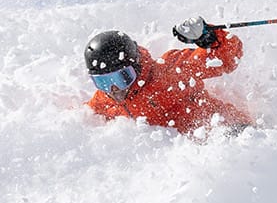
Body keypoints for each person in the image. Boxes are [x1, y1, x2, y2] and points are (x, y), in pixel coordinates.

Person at [85, 17, 254, 133]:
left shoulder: (169, 71)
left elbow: (227, 59)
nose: (114, 89)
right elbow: (83, 119)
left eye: (122, 78)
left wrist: (210, 38)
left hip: (229, 131)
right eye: (103, 82)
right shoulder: (103, 100)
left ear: (135, 67)